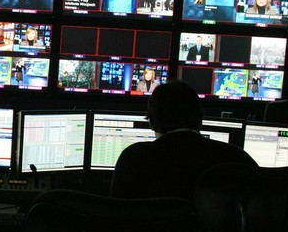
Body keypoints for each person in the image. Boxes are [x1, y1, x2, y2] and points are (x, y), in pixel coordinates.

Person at [110, 80, 258, 200]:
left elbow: (117, 214)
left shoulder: (133, 158)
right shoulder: (236, 159)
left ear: (152, 122)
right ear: (200, 117)